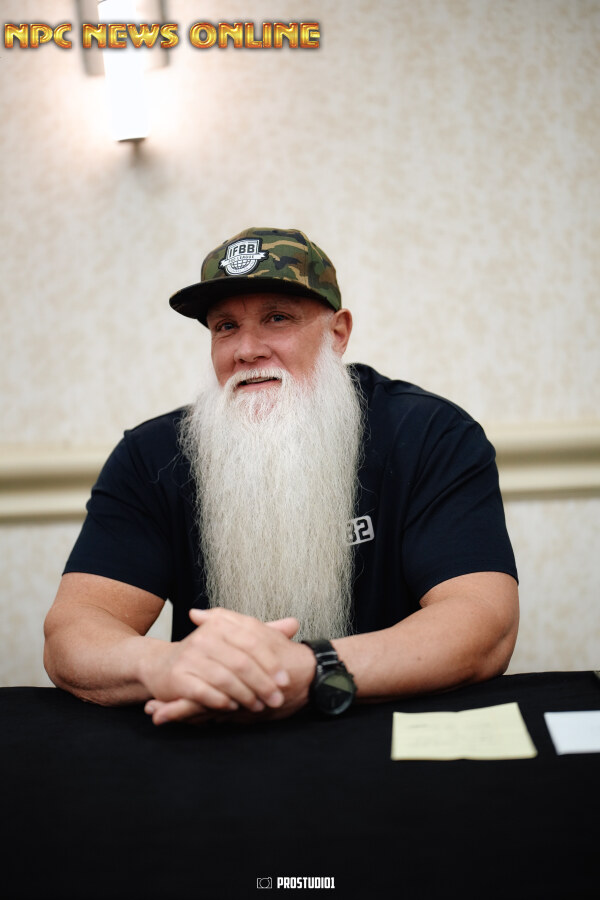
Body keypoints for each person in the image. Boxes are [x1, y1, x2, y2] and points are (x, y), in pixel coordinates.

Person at [43, 226, 519, 725]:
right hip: (213, 742)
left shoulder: (429, 434)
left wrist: (309, 670)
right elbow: (75, 630)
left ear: (337, 334)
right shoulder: (151, 455)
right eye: (225, 326)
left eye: (277, 318)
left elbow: (482, 622)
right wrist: (162, 665)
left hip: (387, 733)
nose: (246, 350)